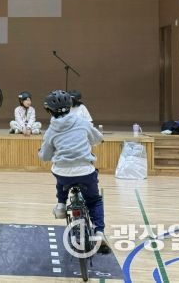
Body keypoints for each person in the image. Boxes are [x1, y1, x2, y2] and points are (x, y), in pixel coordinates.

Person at [38, 89, 110, 252]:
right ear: (70, 106)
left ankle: (61, 205)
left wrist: (40, 152)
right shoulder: (82, 122)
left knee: (60, 178)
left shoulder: (51, 131)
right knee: (94, 200)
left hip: (63, 173)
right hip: (85, 171)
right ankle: (99, 233)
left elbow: (45, 156)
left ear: (49, 110)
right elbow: (98, 138)